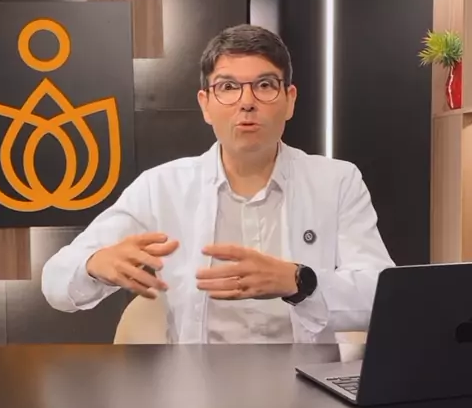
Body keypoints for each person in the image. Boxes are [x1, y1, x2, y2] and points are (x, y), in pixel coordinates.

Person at [41, 24, 395, 343]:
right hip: (197, 381)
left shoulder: (336, 181)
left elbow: (382, 294)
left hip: (306, 376)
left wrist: (299, 281)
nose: (247, 102)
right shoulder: (161, 187)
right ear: (206, 105)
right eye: (228, 87)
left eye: (265, 86)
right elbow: (55, 283)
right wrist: (94, 264)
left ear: (290, 101)